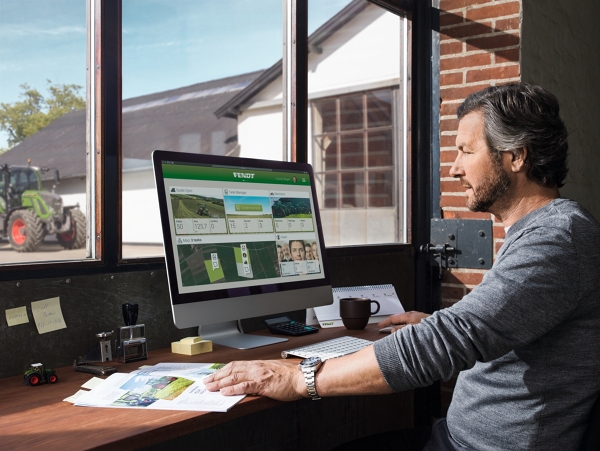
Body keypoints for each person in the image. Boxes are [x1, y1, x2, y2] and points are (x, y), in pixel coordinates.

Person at [205, 83, 600, 451]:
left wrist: (298, 377)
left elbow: (450, 340)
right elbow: (496, 327)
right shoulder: (544, 232)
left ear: (516, 156)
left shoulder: (558, 238)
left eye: (466, 150)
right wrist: (433, 323)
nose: (454, 169)